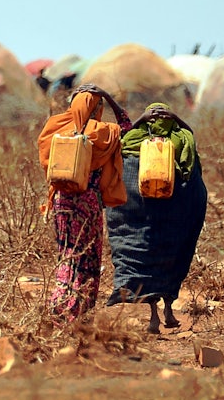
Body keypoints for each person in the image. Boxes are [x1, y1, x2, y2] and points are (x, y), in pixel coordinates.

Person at [105, 102, 207, 334]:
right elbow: (193, 173)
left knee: (147, 261)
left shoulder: (133, 141)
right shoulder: (181, 140)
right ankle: (168, 311)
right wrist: (177, 118)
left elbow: (123, 143)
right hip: (174, 218)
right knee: (171, 260)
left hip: (142, 218)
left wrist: (141, 119)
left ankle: (154, 318)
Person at [37, 83, 131, 324]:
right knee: (86, 258)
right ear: (97, 108)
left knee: (67, 254)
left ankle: (60, 307)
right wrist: (109, 96)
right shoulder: (104, 132)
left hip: (61, 202)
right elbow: (127, 128)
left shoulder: (55, 127)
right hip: (87, 205)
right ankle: (76, 313)